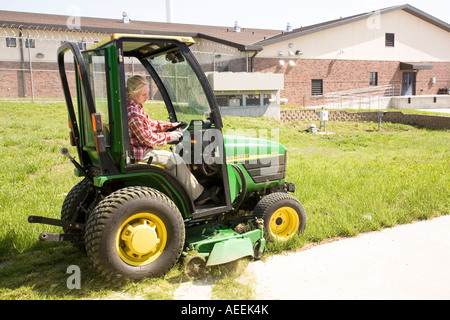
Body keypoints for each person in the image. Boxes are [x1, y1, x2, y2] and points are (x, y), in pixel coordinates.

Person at [126, 75, 217, 205]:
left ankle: (181, 194)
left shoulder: (134, 106)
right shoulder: (133, 112)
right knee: (176, 160)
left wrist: (172, 125)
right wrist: (171, 136)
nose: (147, 97)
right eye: (143, 94)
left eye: (147, 93)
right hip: (140, 154)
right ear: (133, 93)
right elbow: (148, 138)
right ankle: (199, 196)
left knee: (174, 160)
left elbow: (151, 123)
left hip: (139, 150)